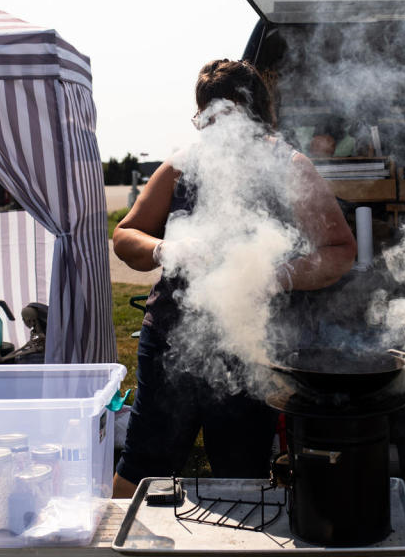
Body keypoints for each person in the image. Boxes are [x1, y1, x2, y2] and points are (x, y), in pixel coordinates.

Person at [111, 59, 357, 498]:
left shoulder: (291, 168)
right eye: (205, 118)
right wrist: (162, 249)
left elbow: (339, 252)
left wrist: (278, 275)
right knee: (145, 459)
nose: (212, 130)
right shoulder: (181, 167)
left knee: (240, 472)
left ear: (252, 111)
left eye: (223, 116)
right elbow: (125, 235)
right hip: (170, 336)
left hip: (250, 345)